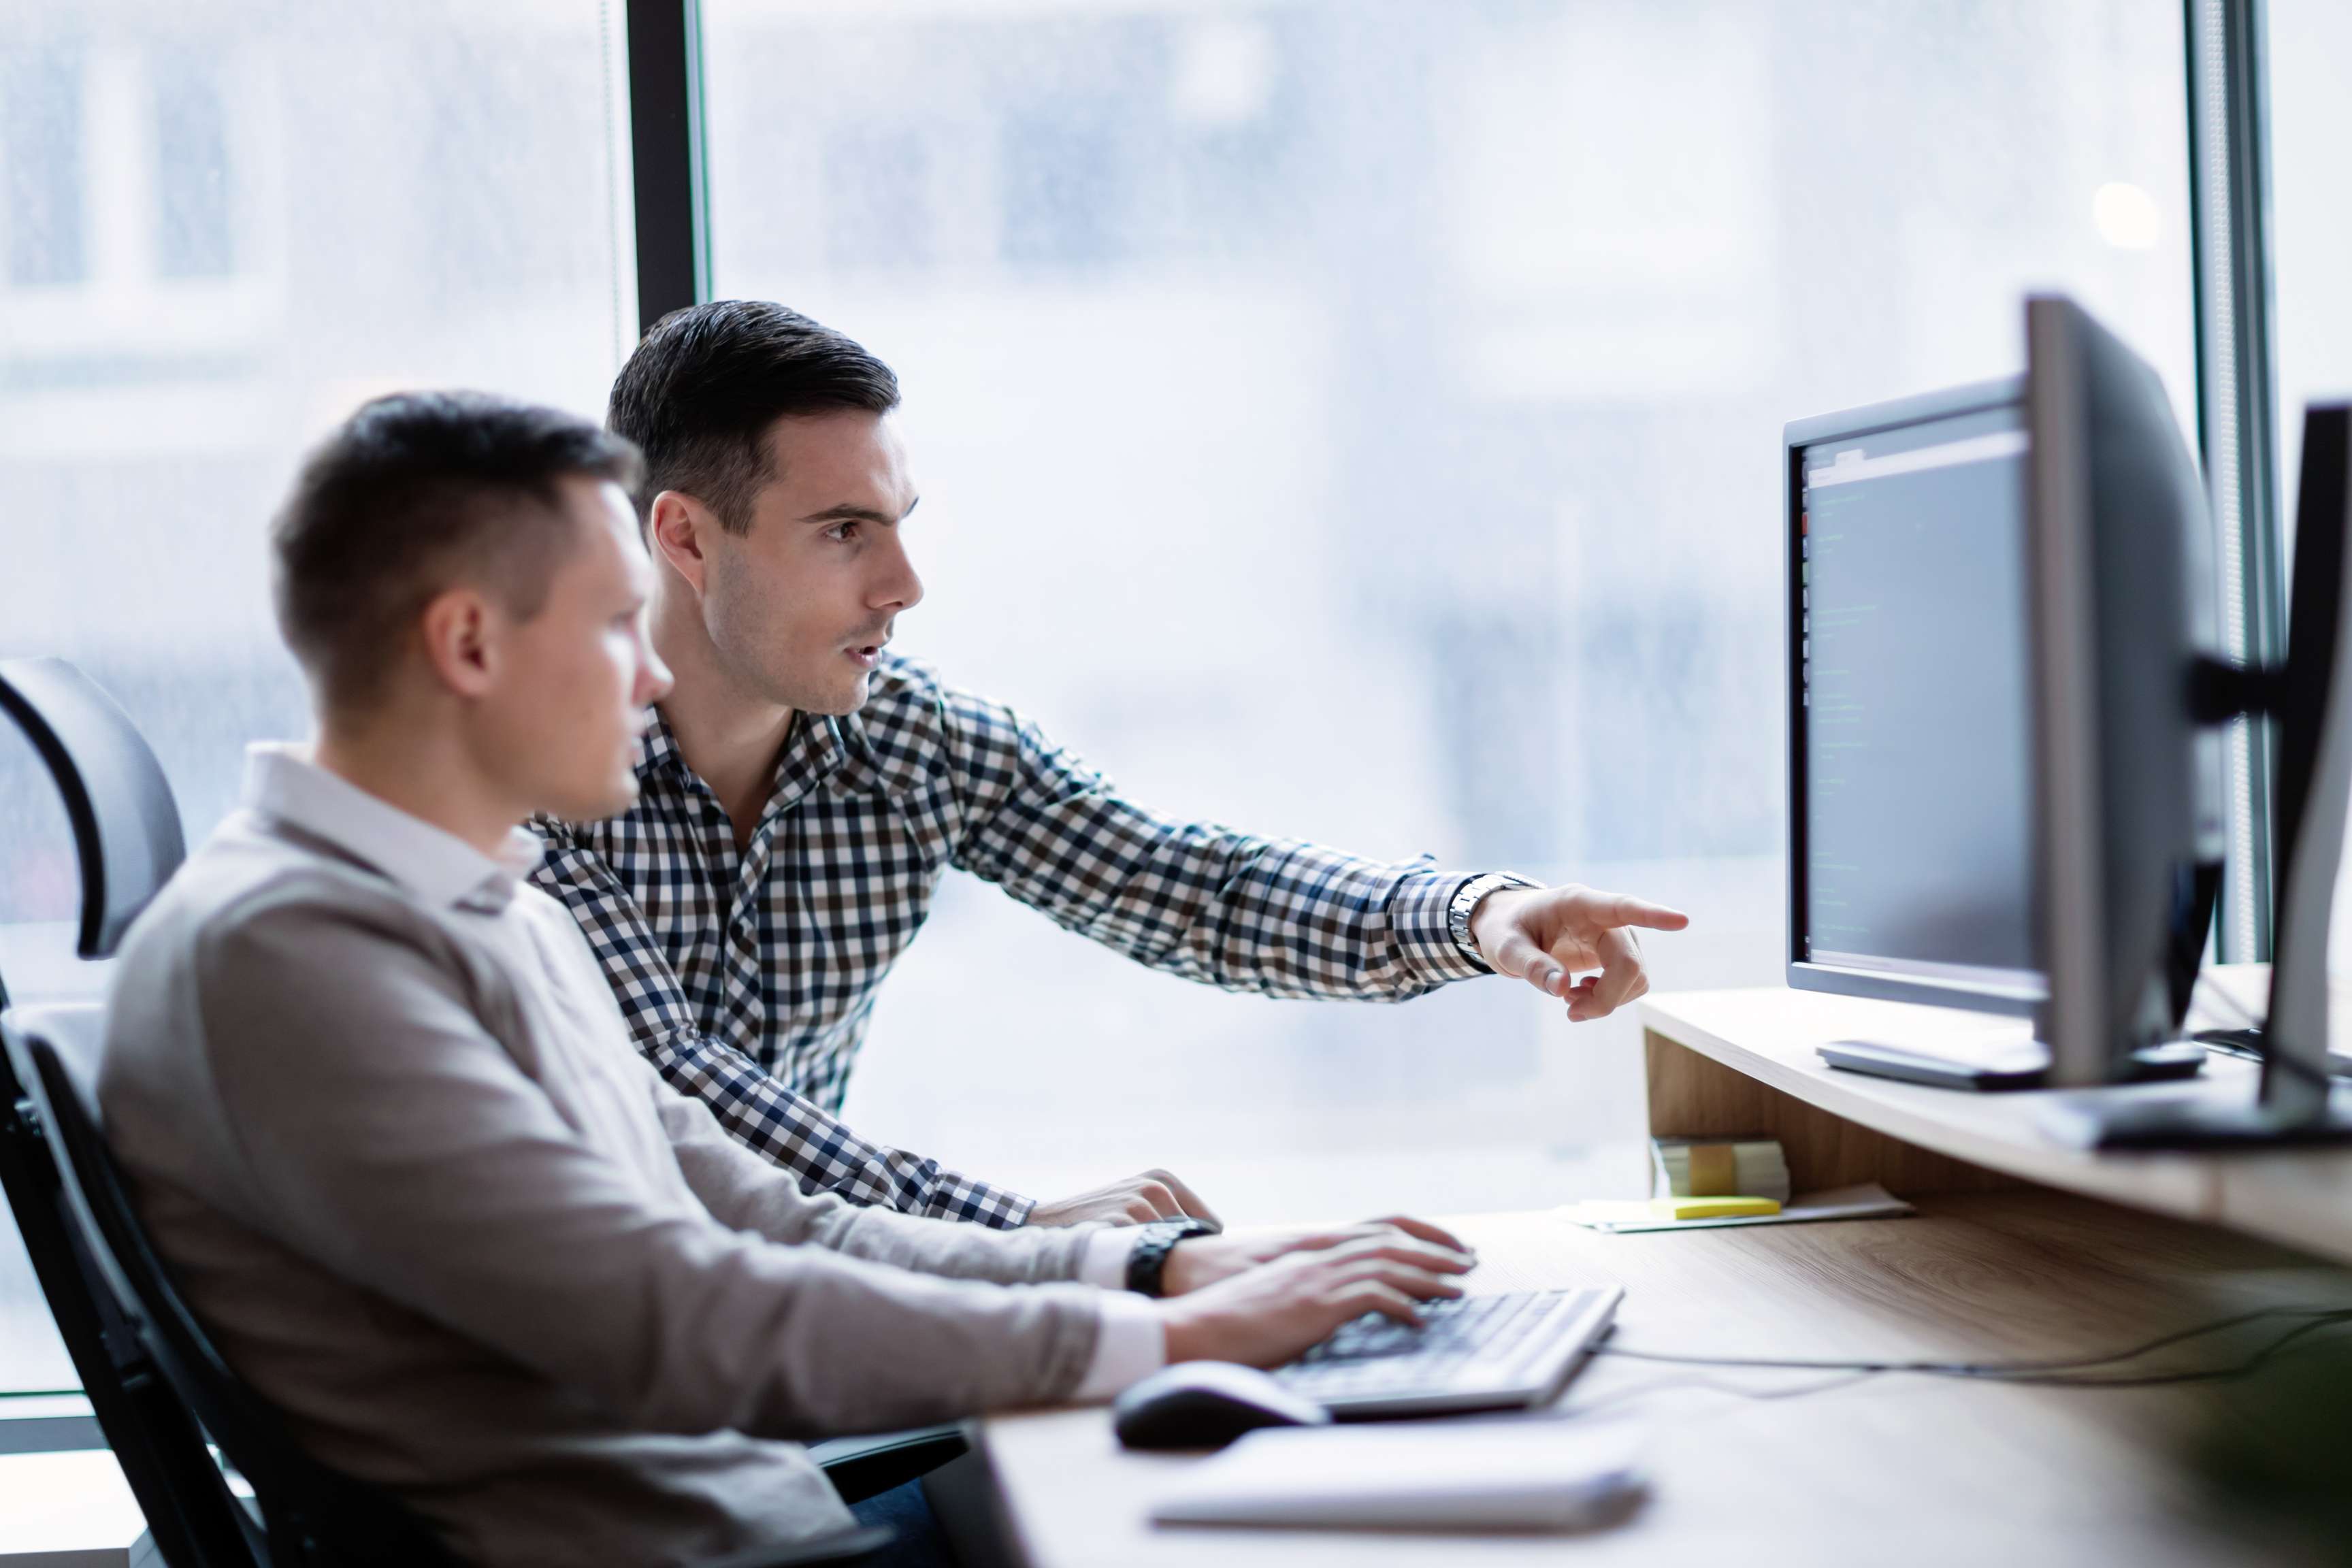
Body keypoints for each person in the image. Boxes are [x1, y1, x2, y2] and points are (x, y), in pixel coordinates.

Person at [97, 392, 1477, 1568]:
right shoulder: (288, 956)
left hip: (762, 1521)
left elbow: (769, 1220)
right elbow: (678, 1311)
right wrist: (1172, 1349)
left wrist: (1151, 1275)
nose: (651, 681)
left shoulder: (481, 908)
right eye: (614, 629)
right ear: (468, 645)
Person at [532, 299, 1690, 1230]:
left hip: (804, 1333)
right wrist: (1020, 1229)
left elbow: (1191, 889)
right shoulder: (533, 779)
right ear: (683, 537)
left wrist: (1477, 912)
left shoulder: (914, 744)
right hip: (576, 1371)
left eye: (899, 523)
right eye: (844, 532)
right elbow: (676, 1098)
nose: (904, 586)